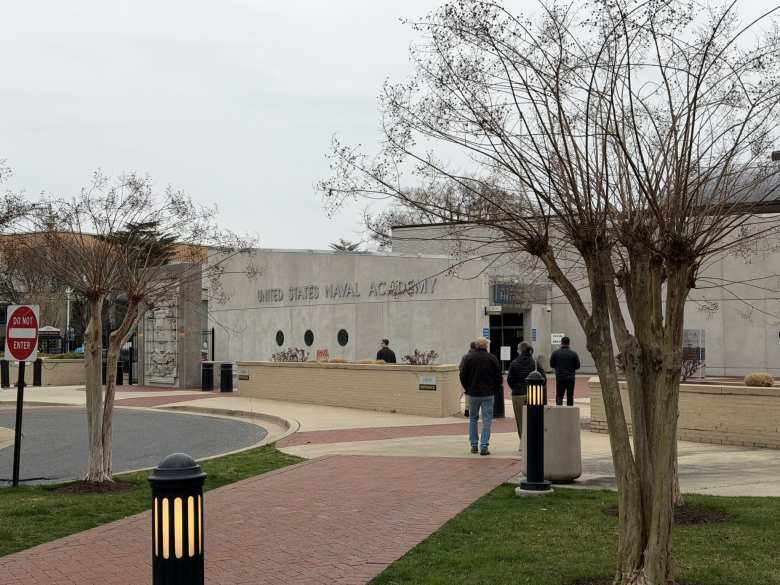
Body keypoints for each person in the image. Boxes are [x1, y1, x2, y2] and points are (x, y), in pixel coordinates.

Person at [459, 336, 502, 455]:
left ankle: (473, 444)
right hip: (488, 393)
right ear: (486, 346)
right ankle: (484, 445)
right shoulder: (492, 358)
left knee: (473, 419)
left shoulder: (468, 358)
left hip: (473, 393)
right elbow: (498, 377)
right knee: (487, 420)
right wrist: (495, 389)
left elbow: (462, 375)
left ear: (476, 345)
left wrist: (468, 388)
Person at [506, 342, 546, 446]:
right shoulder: (535, 363)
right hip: (534, 394)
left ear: (520, 350)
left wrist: (515, 388)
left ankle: (523, 442)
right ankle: (534, 441)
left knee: (520, 420)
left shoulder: (514, 363)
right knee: (534, 419)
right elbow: (543, 379)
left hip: (518, 394)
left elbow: (510, 380)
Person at [550, 335, 580, 406]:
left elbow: (551, 365)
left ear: (561, 343)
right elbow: (577, 366)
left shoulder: (555, 353)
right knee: (570, 396)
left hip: (560, 378)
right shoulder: (574, 354)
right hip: (570, 378)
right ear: (569, 343)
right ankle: (569, 411)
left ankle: (559, 410)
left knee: (559, 395)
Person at [459, 341, 477, 417]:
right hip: (476, 378)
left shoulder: (465, 356)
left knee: (467, 393)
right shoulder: (477, 356)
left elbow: (460, 367)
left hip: (467, 379)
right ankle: (474, 410)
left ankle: (467, 409)